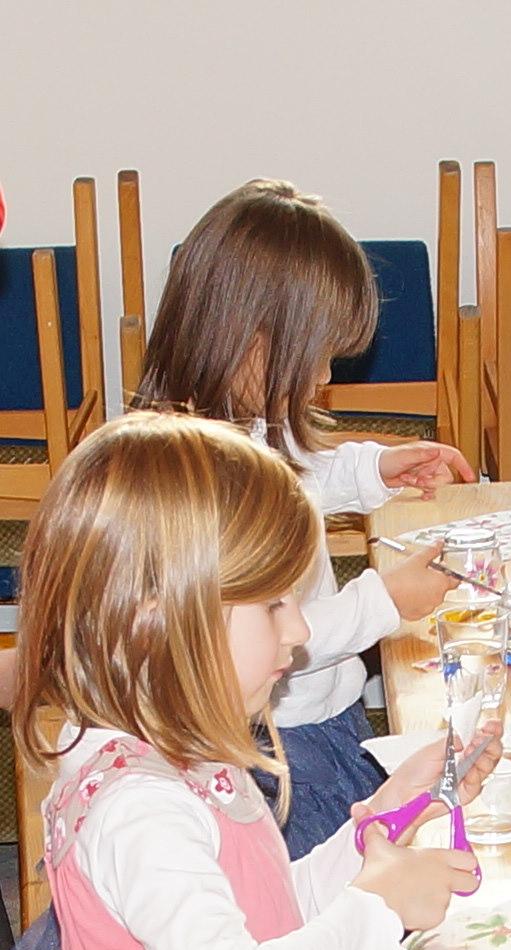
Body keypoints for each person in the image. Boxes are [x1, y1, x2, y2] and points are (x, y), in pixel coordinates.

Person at [15, 412, 497, 950]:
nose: (299, 631)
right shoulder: (141, 809)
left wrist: (389, 813)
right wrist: (380, 908)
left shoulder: (180, 750)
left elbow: (265, 913)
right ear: (157, 617)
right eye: (273, 605)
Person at [134, 179, 475, 857]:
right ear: (252, 340)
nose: (323, 377)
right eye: (316, 355)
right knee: (362, 875)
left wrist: (373, 470)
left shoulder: (235, 430)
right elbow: (267, 640)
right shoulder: (202, 479)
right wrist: (383, 602)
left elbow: (294, 473)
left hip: (319, 718)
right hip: (275, 748)